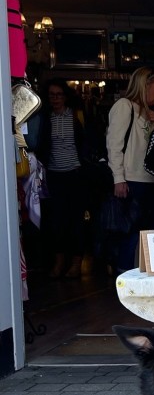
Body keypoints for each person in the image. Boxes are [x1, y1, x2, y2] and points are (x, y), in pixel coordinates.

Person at [105, 67, 154, 273]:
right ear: (145, 85)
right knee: (130, 233)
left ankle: (139, 274)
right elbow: (114, 144)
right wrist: (118, 178)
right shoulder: (124, 106)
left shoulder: (146, 113)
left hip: (148, 181)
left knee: (146, 232)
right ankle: (124, 274)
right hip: (131, 181)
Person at [33, 79, 94, 279]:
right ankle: (59, 261)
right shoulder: (44, 118)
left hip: (75, 174)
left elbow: (87, 142)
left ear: (66, 96)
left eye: (59, 94)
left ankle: (76, 262)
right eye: (52, 95)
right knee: (56, 220)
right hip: (53, 175)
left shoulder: (77, 116)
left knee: (76, 219)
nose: (55, 98)